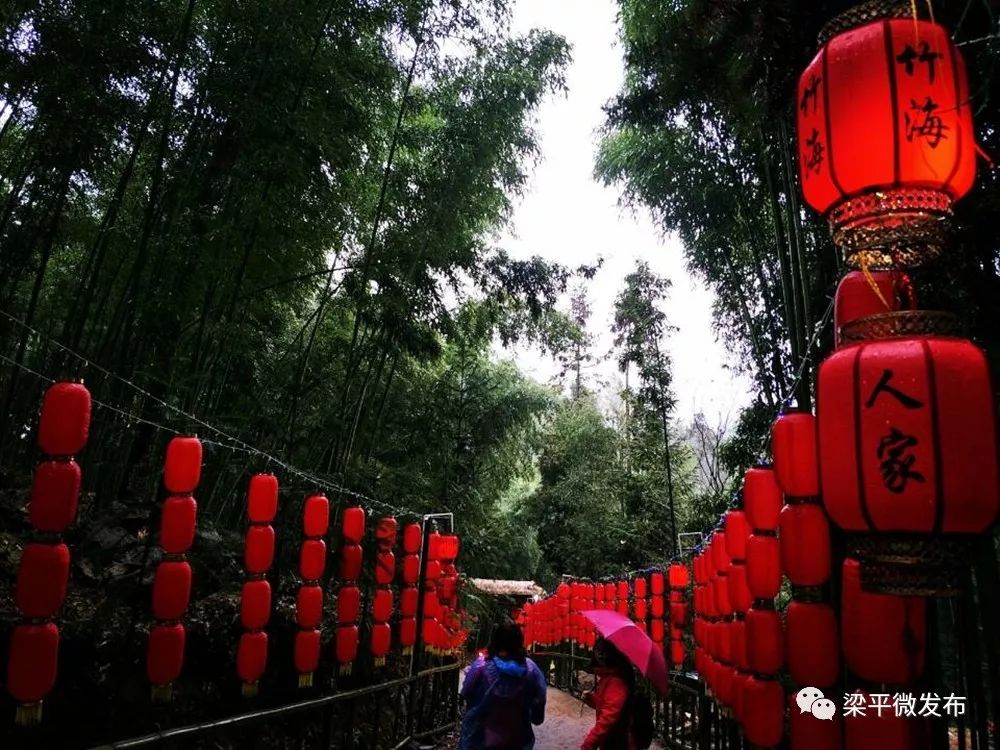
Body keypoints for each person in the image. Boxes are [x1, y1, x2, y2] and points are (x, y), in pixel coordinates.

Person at [459, 620, 547, 750]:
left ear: (495, 640)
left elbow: (466, 692)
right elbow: (540, 701)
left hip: (480, 737)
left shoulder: (481, 665)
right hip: (517, 738)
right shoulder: (531, 669)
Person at [580, 637, 637, 750]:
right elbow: (606, 704)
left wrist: (589, 743)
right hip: (611, 738)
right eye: (598, 650)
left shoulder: (616, 681)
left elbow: (608, 718)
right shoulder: (607, 676)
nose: (601, 655)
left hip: (617, 739)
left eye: (606, 651)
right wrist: (591, 699)